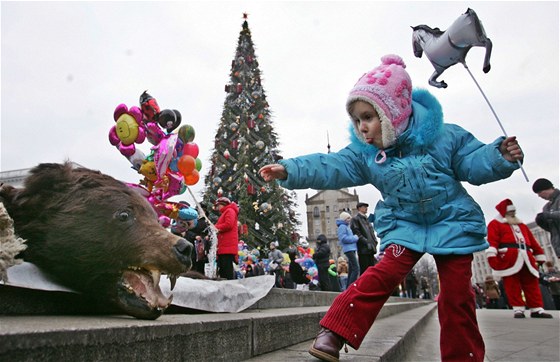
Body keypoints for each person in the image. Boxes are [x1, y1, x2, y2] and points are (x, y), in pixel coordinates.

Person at [259, 54, 524, 362]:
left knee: (456, 296)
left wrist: (498, 156)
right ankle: (334, 330)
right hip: (404, 224)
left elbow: (472, 162)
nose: (362, 128)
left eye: (368, 118)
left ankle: (462, 357)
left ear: (394, 113)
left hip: (452, 222)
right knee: (381, 275)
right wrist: (289, 170)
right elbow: (329, 165)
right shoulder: (364, 155)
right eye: (357, 121)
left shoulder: (444, 136)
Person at [486, 199, 552, 319]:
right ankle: (518, 308)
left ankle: (536, 308)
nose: (513, 214)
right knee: (512, 284)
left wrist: (539, 255)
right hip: (509, 258)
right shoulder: (495, 224)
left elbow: (532, 241)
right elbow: (492, 242)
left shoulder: (521, 225)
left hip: (527, 256)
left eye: (514, 211)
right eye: (510, 212)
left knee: (532, 283)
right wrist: (492, 256)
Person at [532, 178, 560, 259]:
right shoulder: (546, 207)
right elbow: (553, 230)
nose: (539, 196)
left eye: (539, 192)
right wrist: (542, 223)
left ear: (548, 188)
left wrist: (548, 215)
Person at [214, 197, 239, 280]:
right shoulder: (226, 212)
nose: (217, 208)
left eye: (218, 205)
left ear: (223, 204)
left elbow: (229, 224)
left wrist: (215, 227)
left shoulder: (230, 211)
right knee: (223, 270)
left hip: (227, 246)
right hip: (224, 246)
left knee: (226, 270)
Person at [350, 202, 378, 274]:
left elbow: (371, 232)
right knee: (365, 270)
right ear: (359, 208)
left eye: (366, 207)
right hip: (363, 249)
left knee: (371, 270)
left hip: (371, 248)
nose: (366, 208)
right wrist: (366, 242)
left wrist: (374, 241)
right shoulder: (355, 219)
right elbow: (356, 233)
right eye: (364, 207)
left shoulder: (366, 219)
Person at [184, 206, 211, 275]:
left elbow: (210, 231)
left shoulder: (207, 221)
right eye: (199, 210)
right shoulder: (191, 220)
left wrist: (207, 236)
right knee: (192, 261)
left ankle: (201, 276)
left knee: (201, 262)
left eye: (203, 210)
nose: (201, 212)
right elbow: (187, 231)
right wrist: (194, 236)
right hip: (192, 243)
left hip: (203, 245)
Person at [336, 212, 359, 286]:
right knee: (356, 268)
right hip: (348, 249)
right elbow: (343, 238)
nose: (350, 219)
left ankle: (349, 286)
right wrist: (354, 238)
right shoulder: (342, 227)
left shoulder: (346, 226)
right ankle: (351, 285)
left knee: (352, 268)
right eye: (348, 218)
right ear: (344, 219)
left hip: (351, 248)